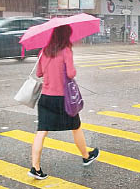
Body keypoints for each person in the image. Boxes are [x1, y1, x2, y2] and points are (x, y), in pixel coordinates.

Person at [29, 25, 99, 180]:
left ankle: (35, 167)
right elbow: (71, 73)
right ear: (66, 36)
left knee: (41, 131)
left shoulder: (44, 51)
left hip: (46, 98)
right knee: (76, 127)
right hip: (63, 99)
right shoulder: (66, 50)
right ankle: (86, 156)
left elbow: (39, 73)